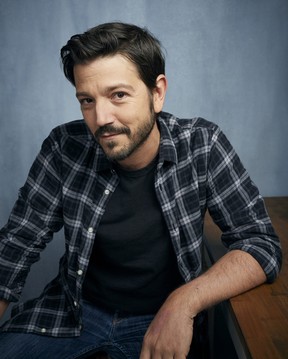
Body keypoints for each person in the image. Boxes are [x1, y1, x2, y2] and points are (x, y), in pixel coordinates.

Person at [0, 22, 282, 359]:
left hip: (161, 317)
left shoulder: (202, 146)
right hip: (73, 315)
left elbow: (260, 244)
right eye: (86, 100)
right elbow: (16, 244)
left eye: (118, 95)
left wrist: (184, 301)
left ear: (157, 92)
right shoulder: (64, 147)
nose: (101, 117)